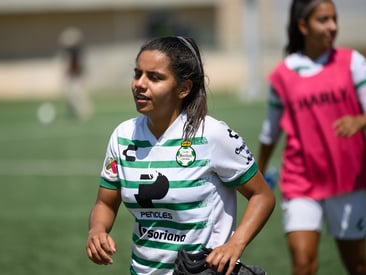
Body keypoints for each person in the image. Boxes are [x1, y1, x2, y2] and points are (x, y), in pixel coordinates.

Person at [86, 36, 275, 275]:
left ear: (184, 88)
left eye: (154, 77)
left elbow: (262, 196)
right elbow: (105, 202)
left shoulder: (211, 134)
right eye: (137, 74)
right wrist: (97, 230)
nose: (139, 84)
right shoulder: (123, 136)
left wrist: (235, 244)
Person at [257, 1, 366, 274]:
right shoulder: (282, 74)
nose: (332, 26)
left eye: (334, 18)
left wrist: (361, 120)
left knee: (358, 265)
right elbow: (270, 131)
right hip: (300, 180)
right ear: (303, 26)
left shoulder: (352, 62)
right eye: (323, 19)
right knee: (303, 263)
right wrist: (258, 174)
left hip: (349, 179)